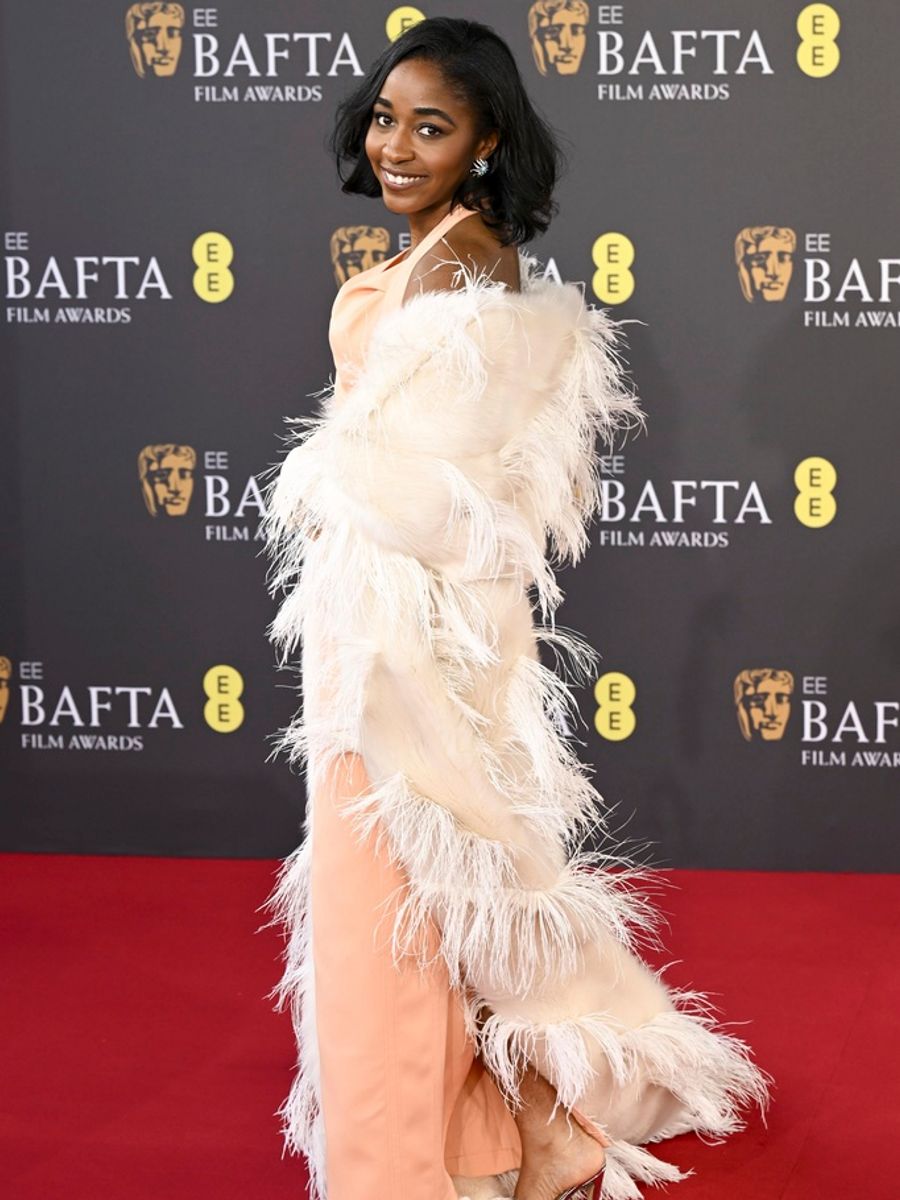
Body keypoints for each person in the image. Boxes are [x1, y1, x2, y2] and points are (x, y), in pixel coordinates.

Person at [260, 16, 772, 1200]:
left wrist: (327, 487)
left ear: (486, 141)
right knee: (422, 908)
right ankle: (496, 1137)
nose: (396, 145)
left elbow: (429, 496)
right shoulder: (453, 248)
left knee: (383, 909)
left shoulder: (456, 263)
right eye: (387, 118)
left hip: (401, 650)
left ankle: (403, 1168)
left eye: (430, 127)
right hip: (389, 631)